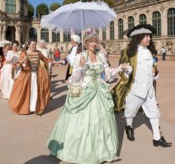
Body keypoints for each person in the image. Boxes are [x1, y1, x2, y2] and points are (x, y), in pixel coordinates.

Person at [47, 28, 128, 163]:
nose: (93, 43)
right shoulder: (80, 57)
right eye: (91, 41)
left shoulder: (101, 56)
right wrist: (81, 67)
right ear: (85, 43)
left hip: (100, 91)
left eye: (95, 41)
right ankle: (81, 152)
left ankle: (101, 151)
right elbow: (73, 80)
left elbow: (107, 76)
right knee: (84, 124)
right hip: (85, 91)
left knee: (101, 122)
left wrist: (120, 68)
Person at [112, 24, 172, 147]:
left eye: (149, 36)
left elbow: (153, 70)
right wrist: (126, 72)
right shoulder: (129, 52)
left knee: (154, 113)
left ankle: (157, 138)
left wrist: (155, 74)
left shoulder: (150, 52)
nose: (149, 38)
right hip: (135, 89)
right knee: (130, 111)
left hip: (149, 90)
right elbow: (124, 72)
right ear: (138, 38)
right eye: (146, 36)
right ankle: (129, 127)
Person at [8, 39, 51, 115]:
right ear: (29, 45)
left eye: (35, 44)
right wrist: (18, 65)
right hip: (27, 74)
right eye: (33, 45)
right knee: (27, 90)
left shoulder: (39, 53)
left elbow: (46, 60)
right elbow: (19, 62)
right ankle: (29, 107)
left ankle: (35, 107)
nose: (34, 46)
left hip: (38, 74)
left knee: (36, 90)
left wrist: (52, 62)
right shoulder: (24, 53)